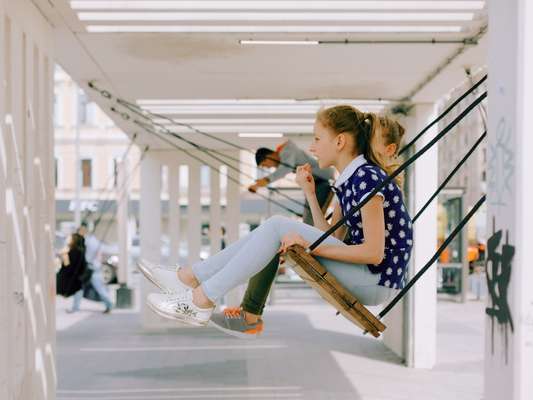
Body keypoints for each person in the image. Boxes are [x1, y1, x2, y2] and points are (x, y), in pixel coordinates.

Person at [140, 105, 414, 331]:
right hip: (367, 276)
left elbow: (374, 253)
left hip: (376, 281)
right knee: (277, 228)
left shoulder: (367, 178)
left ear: (340, 141)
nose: (313, 147)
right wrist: (309, 193)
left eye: (318, 138)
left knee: (277, 226)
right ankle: (192, 282)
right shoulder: (349, 179)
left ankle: (197, 293)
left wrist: (311, 245)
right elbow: (330, 236)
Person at [70, 222, 114, 313]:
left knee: (82, 287)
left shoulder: (86, 241)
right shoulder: (93, 240)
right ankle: (109, 304)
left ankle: (109, 304)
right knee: (82, 287)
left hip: (90, 268)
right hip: (94, 267)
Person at [56, 233, 88, 299]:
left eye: (70, 238)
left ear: (73, 240)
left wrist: (64, 255)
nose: (68, 239)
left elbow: (68, 266)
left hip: (66, 281)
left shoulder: (74, 252)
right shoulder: (80, 251)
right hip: (74, 280)